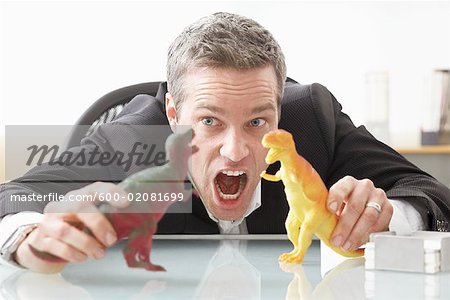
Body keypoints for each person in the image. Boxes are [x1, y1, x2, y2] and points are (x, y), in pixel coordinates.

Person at [1, 12, 449, 274]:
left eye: (257, 121)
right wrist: (28, 235)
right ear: (174, 116)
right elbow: (12, 196)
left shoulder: (311, 118)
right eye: (210, 121)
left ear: (279, 108)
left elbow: (432, 196)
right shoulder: (136, 137)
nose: (236, 150)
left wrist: (387, 213)